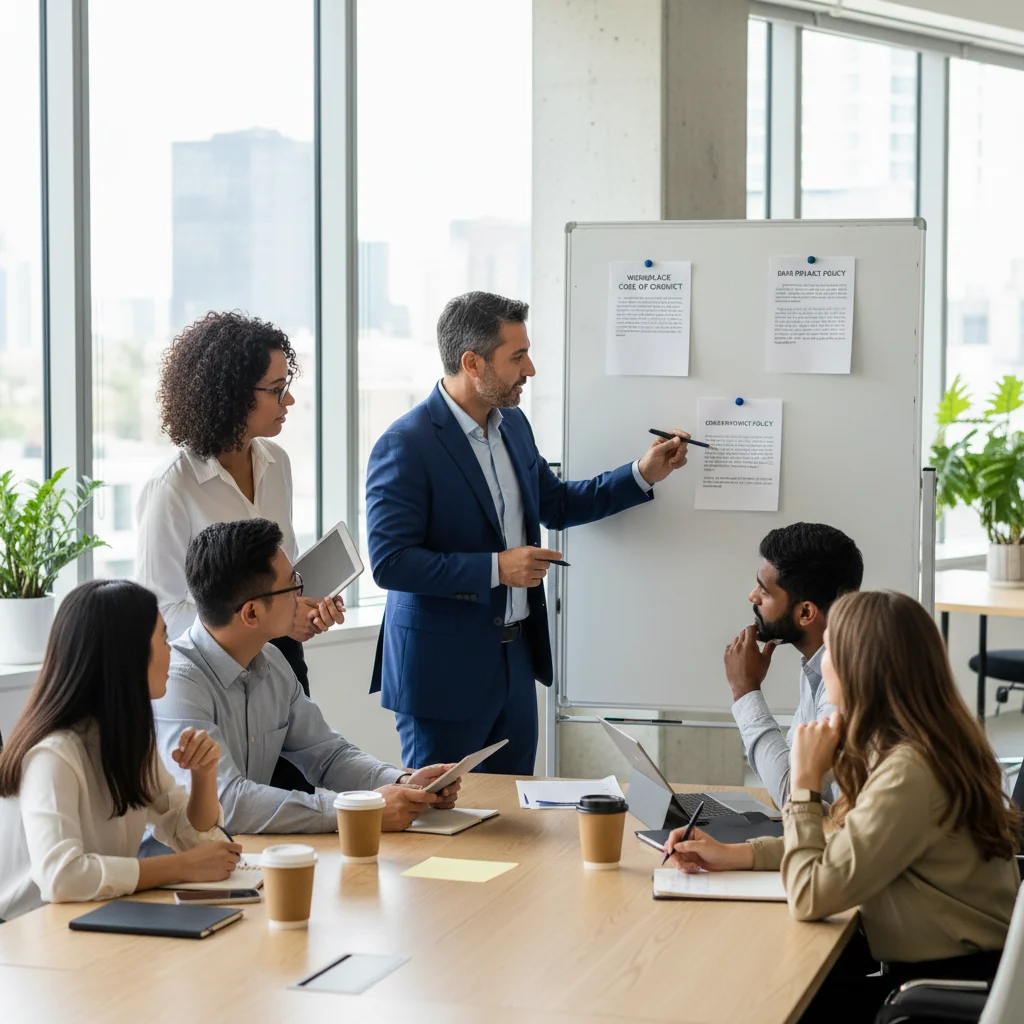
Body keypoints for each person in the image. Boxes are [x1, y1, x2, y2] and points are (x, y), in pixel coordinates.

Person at [366, 291, 690, 775]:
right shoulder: (404, 444)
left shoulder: (513, 425)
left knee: (516, 825)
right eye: (517, 357)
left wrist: (641, 473)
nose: (530, 369)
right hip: (441, 674)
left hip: (516, 662)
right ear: (472, 362)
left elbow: (556, 503)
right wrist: (497, 569)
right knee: (443, 823)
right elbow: (391, 562)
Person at [664, 590, 1021, 1023]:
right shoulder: (910, 747)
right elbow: (840, 838)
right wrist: (737, 853)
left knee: (757, 997)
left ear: (860, 669)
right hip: (941, 971)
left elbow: (811, 894)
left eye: (831, 648)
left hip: (935, 992)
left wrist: (804, 782)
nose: (822, 662)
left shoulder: (910, 770)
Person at [136, 311, 344, 793]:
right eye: (276, 389)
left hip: (279, 667)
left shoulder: (278, 463)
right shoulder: (172, 488)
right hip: (208, 679)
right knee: (233, 805)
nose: (289, 400)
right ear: (231, 394)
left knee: (297, 797)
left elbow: (274, 573)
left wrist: (302, 610)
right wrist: (260, 620)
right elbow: (160, 611)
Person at [152, 519, 462, 836]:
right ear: (251, 614)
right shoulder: (177, 685)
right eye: (292, 586)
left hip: (241, 857)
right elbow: (228, 804)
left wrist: (400, 782)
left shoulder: (271, 660)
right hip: (173, 870)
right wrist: (359, 811)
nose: (303, 596)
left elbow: (327, 755)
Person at [0, 581, 241, 922]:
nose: (170, 648)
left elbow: (197, 843)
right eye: (162, 637)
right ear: (128, 656)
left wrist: (204, 775)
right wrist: (178, 867)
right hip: (26, 935)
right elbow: (61, 877)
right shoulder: (53, 754)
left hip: (92, 919)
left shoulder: (127, 739)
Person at [725, 523, 863, 809]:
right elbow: (794, 782)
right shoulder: (819, 664)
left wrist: (745, 691)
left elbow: (793, 796)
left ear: (805, 612)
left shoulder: (847, 680)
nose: (753, 596)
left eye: (765, 590)